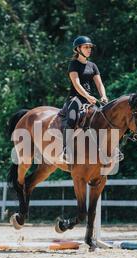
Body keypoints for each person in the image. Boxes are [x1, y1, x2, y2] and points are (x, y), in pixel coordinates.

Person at [58, 35, 108, 164]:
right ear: (78, 49)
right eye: (86, 47)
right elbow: (76, 84)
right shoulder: (73, 64)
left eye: (90, 47)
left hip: (89, 100)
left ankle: (111, 150)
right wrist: (87, 96)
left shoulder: (93, 65)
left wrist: (103, 95)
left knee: (104, 119)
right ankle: (66, 150)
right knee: (72, 118)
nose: (89, 49)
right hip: (75, 98)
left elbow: (99, 84)